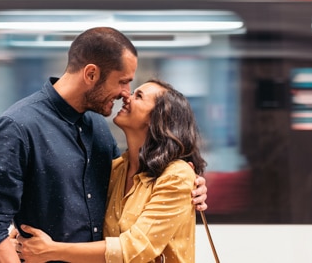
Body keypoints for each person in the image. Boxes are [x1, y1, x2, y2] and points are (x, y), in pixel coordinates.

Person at [0, 27, 208, 263]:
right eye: (123, 81)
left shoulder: (99, 129)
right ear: (91, 74)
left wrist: (192, 186)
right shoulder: (17, 127)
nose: (126, 93)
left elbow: (129, 199)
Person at [16, 79, 206, 263]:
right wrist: (27, 227)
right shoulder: (115, 171)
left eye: (138, 96)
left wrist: (51, 250)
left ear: (157, 118)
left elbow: (134, 250)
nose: (126, 97)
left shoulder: (176, 175)